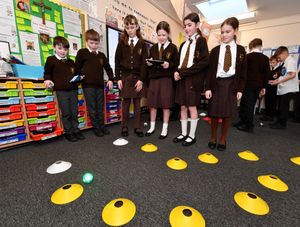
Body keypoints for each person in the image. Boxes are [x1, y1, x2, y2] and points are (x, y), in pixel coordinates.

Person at [205, 17, 247, 151]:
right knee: (214, 113)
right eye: (222, 32)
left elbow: (243, 72)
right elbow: (210, 71)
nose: (224, 35)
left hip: (232, 84)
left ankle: (223, 139)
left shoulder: (241, 51)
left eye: (227, 32)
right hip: (217, 84)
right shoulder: (215, 50)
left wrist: (240, 89)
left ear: (235, 31)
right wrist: (207, 88)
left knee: (227, 114)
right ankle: (212, 137)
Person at [173, 12, 209, 146]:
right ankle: (183, 133)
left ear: (197, 25)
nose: (187, 28)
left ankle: (192, 135)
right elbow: (179, 62)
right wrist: (177, 72)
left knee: (192, 107)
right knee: (182, 107)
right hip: (182, 79)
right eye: (185, 26)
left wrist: (185, 73)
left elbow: (204, 62)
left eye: (190, 25)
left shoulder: (201, 41)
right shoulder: (183, 44)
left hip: (193, 80)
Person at [44, 36, 84, 142]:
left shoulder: (71, 62)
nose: (63, 51)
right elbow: (47, 73)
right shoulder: (51, 60)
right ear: (54, 48)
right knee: (66, 112)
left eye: (65, 49)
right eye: (60, 48)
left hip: (73, 90)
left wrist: (80, 77)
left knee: (74, 111)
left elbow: (76, 74)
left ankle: (76, 129)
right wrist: (47, 80)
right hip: (61, 91)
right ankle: (68, 132)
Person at [75, 29, 114, 137]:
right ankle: (96, 128)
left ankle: (102, 126)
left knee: (100, 107)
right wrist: (80, 75)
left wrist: (111, 79)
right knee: (92, 107)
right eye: (91, 43)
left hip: (99, 86)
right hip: (87, 86)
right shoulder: (82, 53)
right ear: (87, 41)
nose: (94, 46)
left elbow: (108, 68)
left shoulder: (101, 55)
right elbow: (76, 68)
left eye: (96, 43)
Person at [115, 14, 148, 137]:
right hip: (125, 77)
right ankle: (124, 127)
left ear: (137, 27)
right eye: (127, 28)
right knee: (126, 103)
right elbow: (117, 62)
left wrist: (141, 80)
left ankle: (137, 127)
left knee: (137, 103)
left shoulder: (143, 44)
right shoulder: (121, 43)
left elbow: (145, 64)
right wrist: (118, 78)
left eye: (132, 27)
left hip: (137, 77)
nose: (130, 30)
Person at [145, 21, 179, 139]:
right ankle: (152, 127)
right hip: (154, 79)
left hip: (166, 79)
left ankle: (165, 128)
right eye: (159, 35)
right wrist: (149, 63)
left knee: (166, 105)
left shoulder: (173, 48)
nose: (161, 37)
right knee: (153, 104)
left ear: (168, 34)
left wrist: (168, 65)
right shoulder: (153, 48)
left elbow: (176, 64)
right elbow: (151, 61)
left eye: (164, 35)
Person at [234, 38, 270, 132]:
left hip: (248, 84)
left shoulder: (248, 57)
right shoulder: (266, 58)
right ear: (260, 46)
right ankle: (242, 121)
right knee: (249, 104)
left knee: (246, 105)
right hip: (258, 85)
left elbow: (242, 72)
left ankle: (249, 126)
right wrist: (264, 87)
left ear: (251, 46)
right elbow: (267, 74)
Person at [269, 46, 299, 129]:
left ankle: (282, 124)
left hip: (288, 88)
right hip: (284, 88)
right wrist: (276, 81)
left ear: (284, 53)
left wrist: (279, 81)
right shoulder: (286, 62)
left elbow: (292, 75)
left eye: (279, 57)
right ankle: (279, 121)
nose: (278, 59)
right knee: (281, 106)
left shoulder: (290, 61)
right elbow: (284, 75)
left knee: (284, 107)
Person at [260, 55, 282, 121]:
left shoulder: (279, 69)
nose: (271, 64)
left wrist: (269, 80)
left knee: (272, 102)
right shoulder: (270, 69)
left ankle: (271, 116)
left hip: (274, 88)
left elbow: (275, 78)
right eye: (270, 62)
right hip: (268, 87)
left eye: (273, 62)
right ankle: (267, 114)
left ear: (277, 62)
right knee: (267, 101)